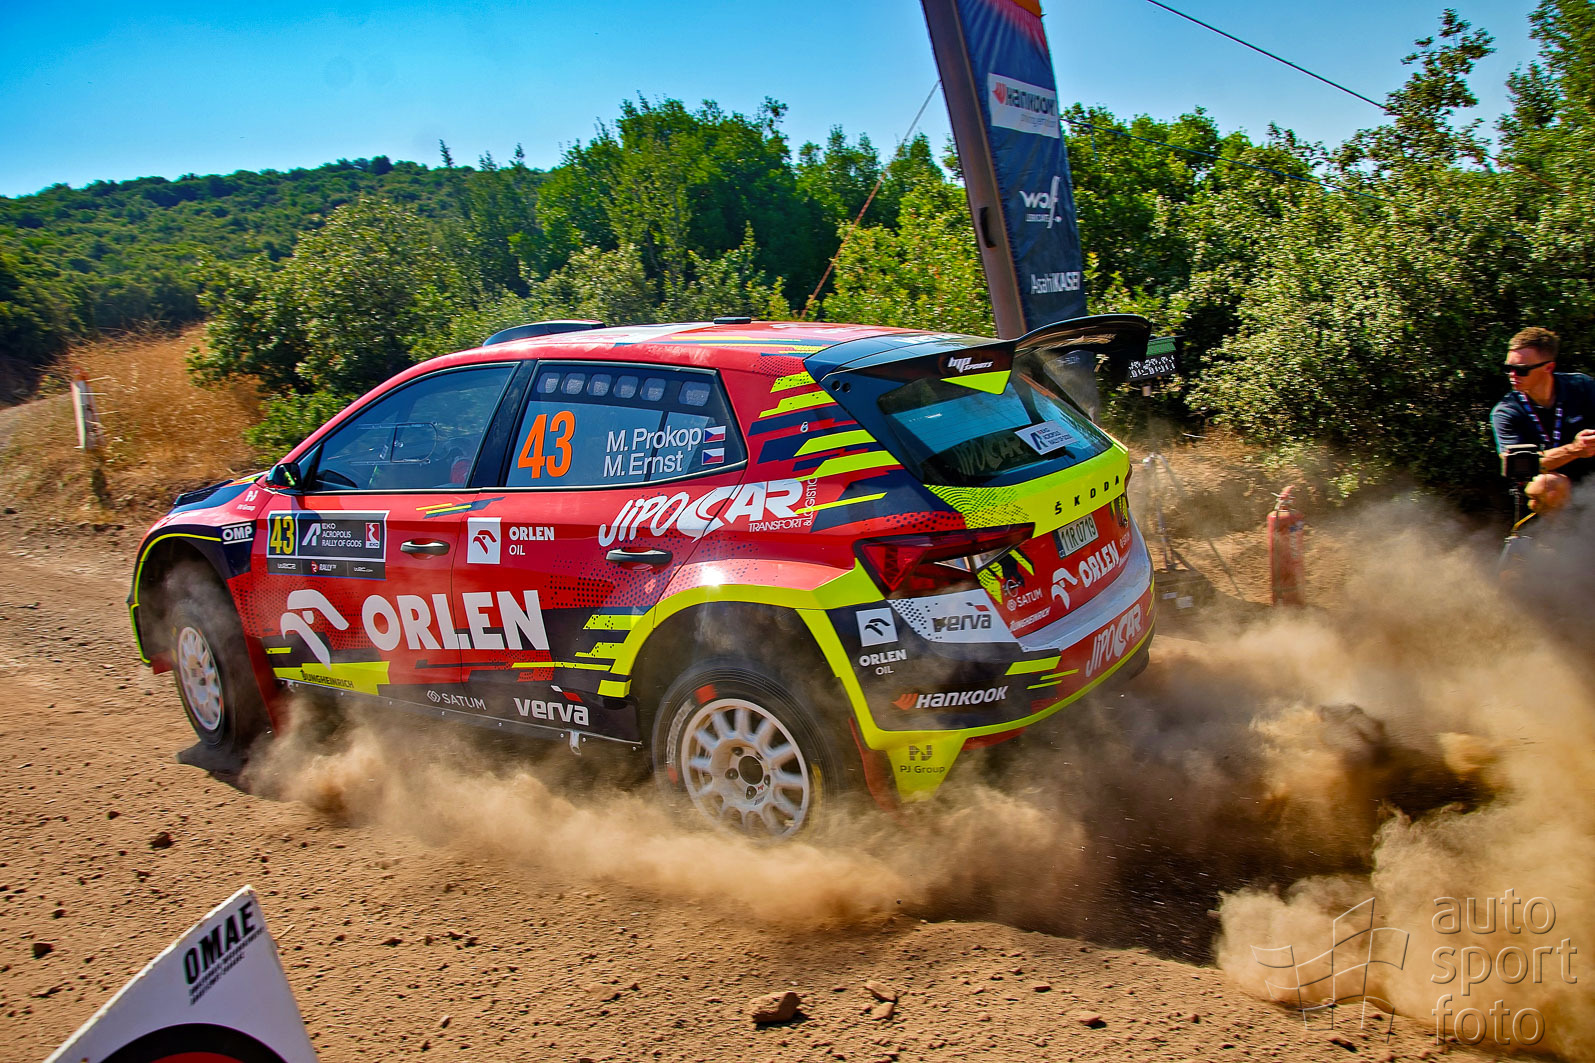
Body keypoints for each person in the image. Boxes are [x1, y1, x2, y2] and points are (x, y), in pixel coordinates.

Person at [1490, 328, 1595, 511]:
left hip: (1589, 478)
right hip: (1549, 486)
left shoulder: (1582, 387)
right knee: (1549, 485)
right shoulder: (1506, 411)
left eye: (1521, 370)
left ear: (1549, 367)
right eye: (1508, 368)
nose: (1512, 375)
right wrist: (1575, 450)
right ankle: (1558, 530)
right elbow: (1517, 466)